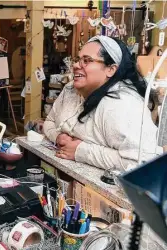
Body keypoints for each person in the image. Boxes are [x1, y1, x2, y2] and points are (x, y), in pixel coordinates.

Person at [43, 36, 159, 171]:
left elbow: (143, 161)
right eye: (77, 59)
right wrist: (58, 137)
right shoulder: (70, 90)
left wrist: (80, 151)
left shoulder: (122, 104)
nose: (75, 65)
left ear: (110, 69)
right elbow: (49, 121)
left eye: (86, 60)